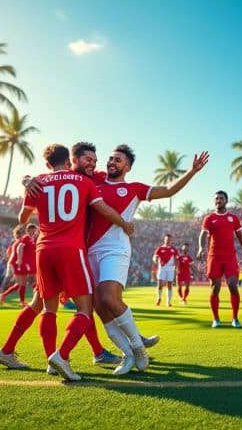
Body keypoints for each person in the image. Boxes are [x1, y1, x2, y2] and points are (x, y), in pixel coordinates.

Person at [0, 144, 135, 382]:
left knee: (43, 306)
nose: (93, 163)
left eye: (95, 159)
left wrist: (28, 183)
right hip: (71, 249)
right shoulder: (84, 182)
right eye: (88, 159)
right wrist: (125, 224)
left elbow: (22, 218)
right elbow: (103, 209)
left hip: (44, 249)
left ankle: (23, 353)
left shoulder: (40, 181)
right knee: (84, 306)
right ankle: (63, 356)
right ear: (72, 160)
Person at [85, 144, 209, 374]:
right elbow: (69, 172)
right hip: (91, 250)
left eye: (118, 160)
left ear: (127, 167)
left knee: (109, 298)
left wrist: (192, 171)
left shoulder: (134, 188)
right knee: (99, 306)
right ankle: (127, 353)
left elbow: (169, 190)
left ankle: (138, 347)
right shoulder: (95, 180)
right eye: (110, 158)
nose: (112, 162)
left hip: (116, 248)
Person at [198, 190, 242, 328]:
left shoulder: (233, 218)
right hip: (214, 257)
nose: (218, 200)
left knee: (232, 285)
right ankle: (216, 318)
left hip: (230, 257)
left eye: (221, 198)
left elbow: (241, 238)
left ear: (226, 200)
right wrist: (201, 248)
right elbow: (202, 235)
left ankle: (235, 318)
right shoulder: (209, 218)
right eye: (216, 199)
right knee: (215, 288)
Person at [153, 234, 179, 306]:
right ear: (164, 240)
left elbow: (177, 259)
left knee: (169, 285)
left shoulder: (174, 249)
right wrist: (156, 260)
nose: (168, 241)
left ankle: (168, 302)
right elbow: (154, 257)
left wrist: (177, 267)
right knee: (160, 284)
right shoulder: (160, 248)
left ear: (171, 240)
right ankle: (159, 298)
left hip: (171, 268)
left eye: (169, 240)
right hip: (162, 268)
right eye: (167, 239)